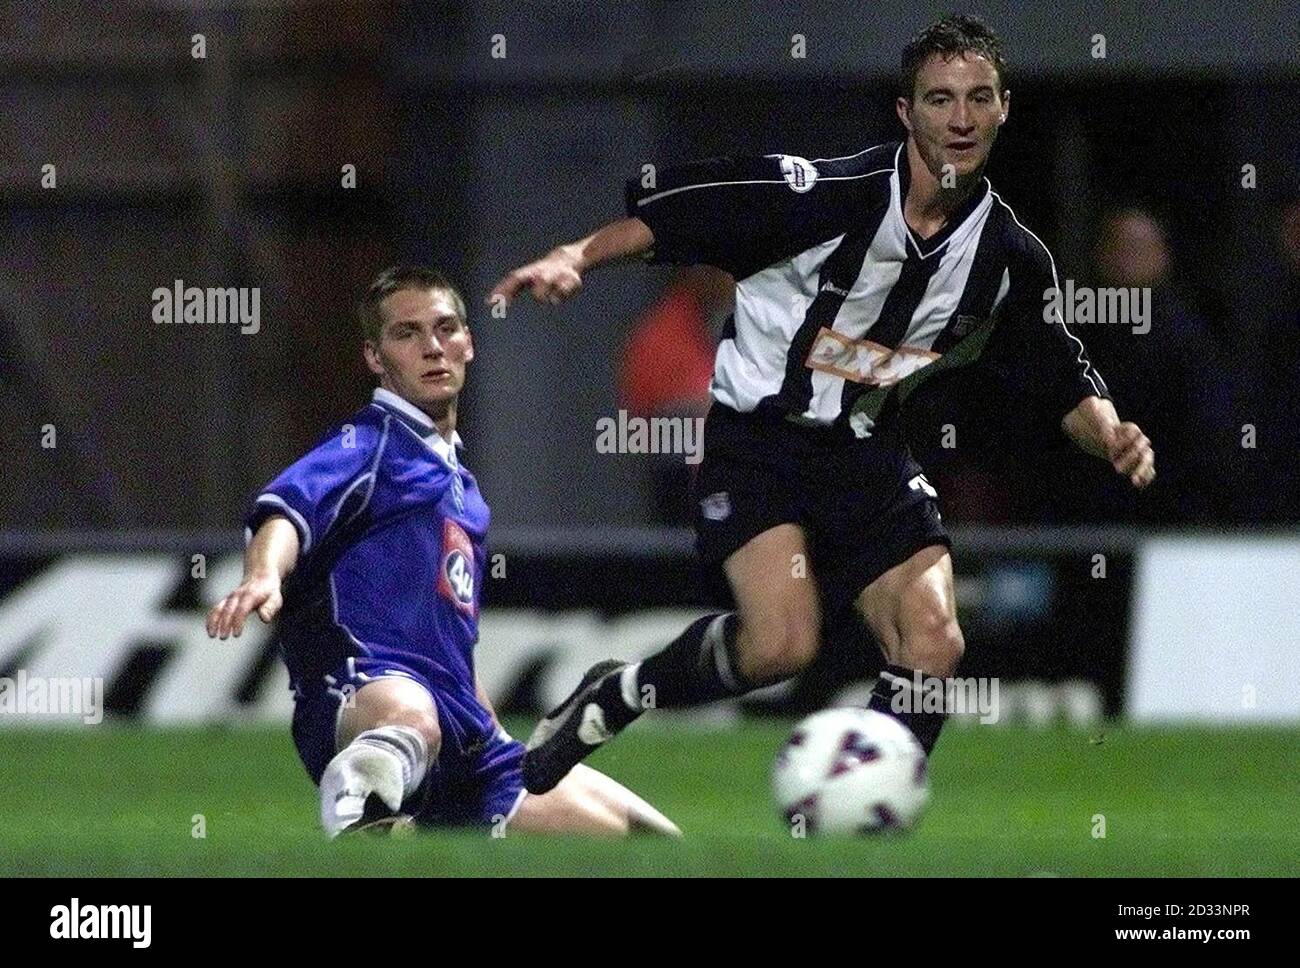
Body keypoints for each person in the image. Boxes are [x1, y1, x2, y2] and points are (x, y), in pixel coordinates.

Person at [489, 14, 1155, 796]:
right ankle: (619, 693)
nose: (962, 118)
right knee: (779, 647)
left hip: (870, 457)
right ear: (907, 114)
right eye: (941, 99)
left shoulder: (1011, 258)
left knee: (936, 639)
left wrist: (1110, 431)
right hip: (759, 446)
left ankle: (862, 800)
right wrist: (576, 255)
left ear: (1005, 107)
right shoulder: (820, 197)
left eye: (979, 98)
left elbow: (1060, 371)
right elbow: (672, 218)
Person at [206, 265, 678, 838]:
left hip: (464, 737)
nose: (432, 346)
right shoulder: (371, 442)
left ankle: (396, 819)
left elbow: (452, 642)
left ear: (468, 343)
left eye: (445, 328)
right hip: (365, 691)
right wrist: (263, 575)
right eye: (406, 334)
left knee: (653, 845)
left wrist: (496, 734)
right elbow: (286, 510)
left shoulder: (465, 491)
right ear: (376, 359)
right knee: (413, 721)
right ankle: (358, 800)